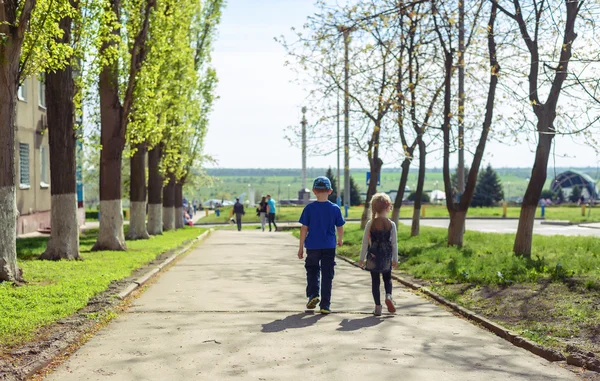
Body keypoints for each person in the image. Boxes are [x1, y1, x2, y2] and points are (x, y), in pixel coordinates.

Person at [298, 176, 345, 315]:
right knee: (327, 274)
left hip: (312, 246)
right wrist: (340, 239)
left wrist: (301, 247)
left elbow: (303, 229)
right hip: (329, 246)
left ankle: (313, 295)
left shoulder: (309, 208)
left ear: (314, 191)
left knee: (312, 270)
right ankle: (325, 304)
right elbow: (340, 226)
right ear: (330, 191)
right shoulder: (335, 209)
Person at [358, 193, 398, 316]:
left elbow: (365, 242)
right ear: (388, 208)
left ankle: (377, 307)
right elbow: (394, 244)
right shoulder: (391, 224)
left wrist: (361, 259)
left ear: (374, 208)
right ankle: (389, 296)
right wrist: (395, 259)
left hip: (373, 256)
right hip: (386, 256)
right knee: (387, 279)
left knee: (375, 281)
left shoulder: (370, 223)